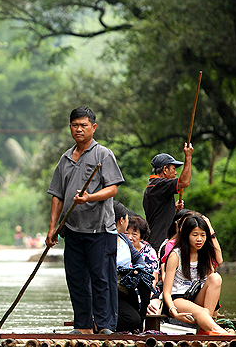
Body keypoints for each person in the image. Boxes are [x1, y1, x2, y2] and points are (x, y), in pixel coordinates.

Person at [46, 106, 125, 335]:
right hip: (72, 229)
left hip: (100, 230)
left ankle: (105, 327)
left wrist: (90, 197)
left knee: (102, 280)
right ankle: (83, 327)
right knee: (77, 280)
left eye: (83, 125)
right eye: (74, 125)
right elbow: (57, 196)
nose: (79, 129)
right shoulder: (65, 158)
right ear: (70, 127)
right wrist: (52, 229)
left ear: (93, 127)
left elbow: (112, 189)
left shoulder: (103, 154)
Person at [142, 144, 193, 251]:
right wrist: (188, 157)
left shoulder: (153, 186)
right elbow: (184, 182)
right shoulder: (159, 184)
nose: (175, 173)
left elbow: (158, 212)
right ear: (165, 169)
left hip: (156, 241)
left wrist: (173, 209)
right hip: (160, 243)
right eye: (173, 169)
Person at [113, 202, 155, 332]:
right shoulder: (105, 240)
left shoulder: (123, 239)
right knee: (132, 320)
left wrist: (139, 268)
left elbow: (137, 257)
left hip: (126, 284)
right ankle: (100, 323)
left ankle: (142, 321)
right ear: (121, 221)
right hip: (111, 287)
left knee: (144, 278)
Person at [126, 214, 163, 315]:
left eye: (134, 234)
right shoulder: (119, 248)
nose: (129, 237)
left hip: (145, 291)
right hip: (124, 290)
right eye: (126, 233)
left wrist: (146, 299)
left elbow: (153, 279)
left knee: (152, 309)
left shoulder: (149, 252)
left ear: (141, 237)